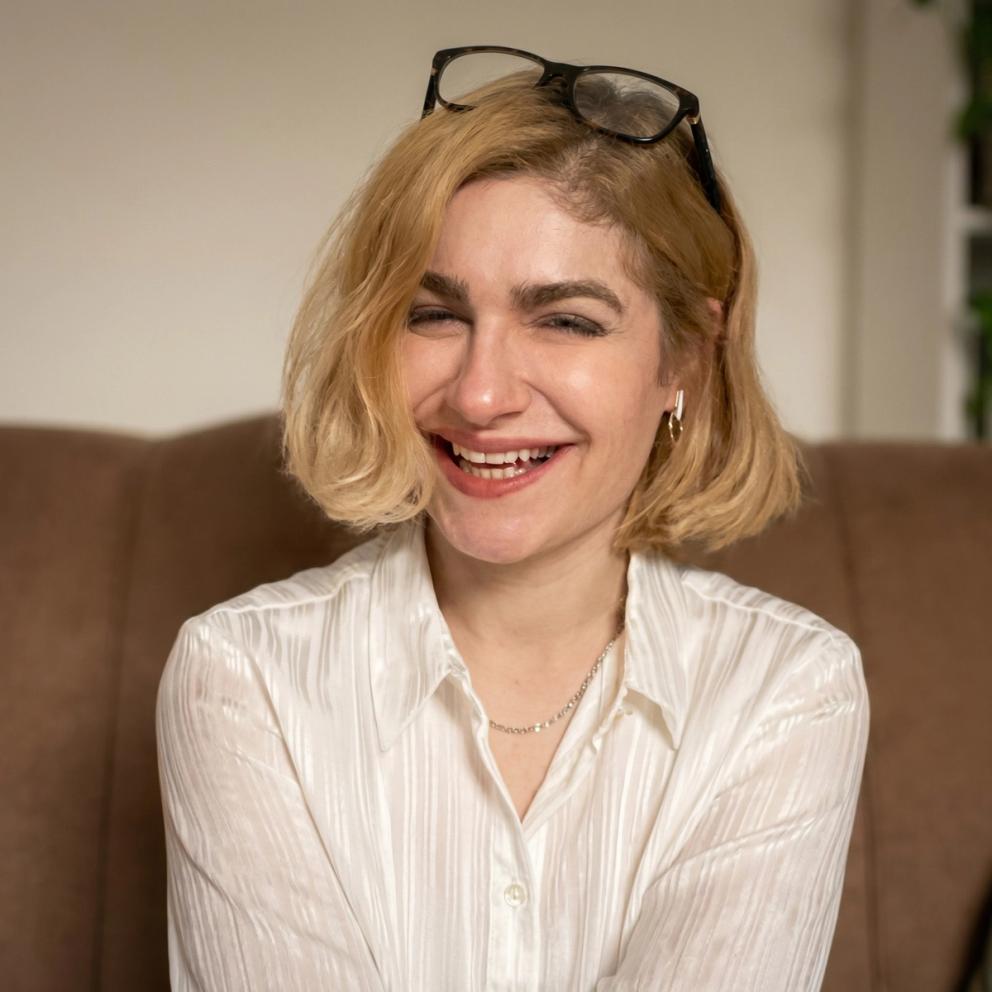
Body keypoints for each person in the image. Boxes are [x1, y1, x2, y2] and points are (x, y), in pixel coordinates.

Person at [155, 47, 870, 991]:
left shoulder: (789, 689)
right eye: (434, 315)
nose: (481, 394)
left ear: (687, 358)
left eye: (566, 320)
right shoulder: (241, 680)